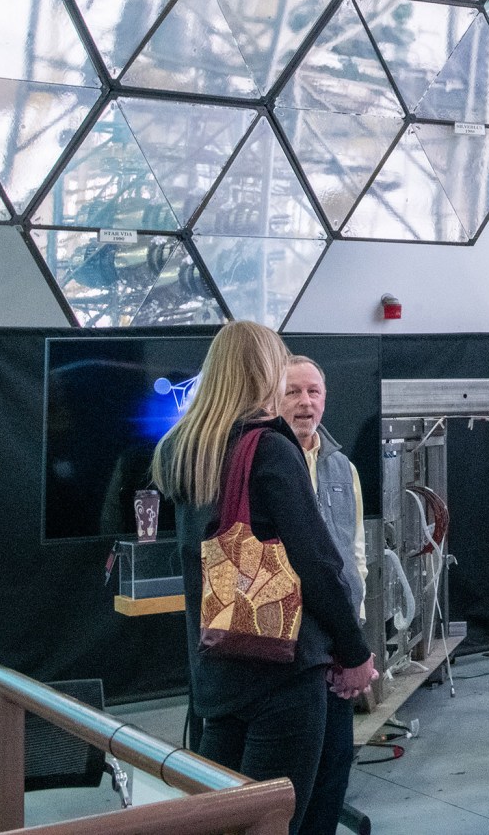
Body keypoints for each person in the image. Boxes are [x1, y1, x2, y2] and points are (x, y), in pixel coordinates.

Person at [154, 322, 377, 835]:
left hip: (216, 668)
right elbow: (318, 564)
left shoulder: (182, 451)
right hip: (282, 670)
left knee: (223, 820)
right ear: (265, 372)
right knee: (274, 821)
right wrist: (355, 651)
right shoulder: (271, 449)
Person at [282, 355, 370, 835]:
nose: (305, 402)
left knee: (335, 765)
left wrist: (351, 634)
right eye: (293, 391)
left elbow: (354, 557)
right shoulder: (267, 463)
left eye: (313, 391)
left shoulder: (343, 467)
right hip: (289, 649)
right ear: (275, 399)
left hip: (337, 642)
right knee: (291, 778)